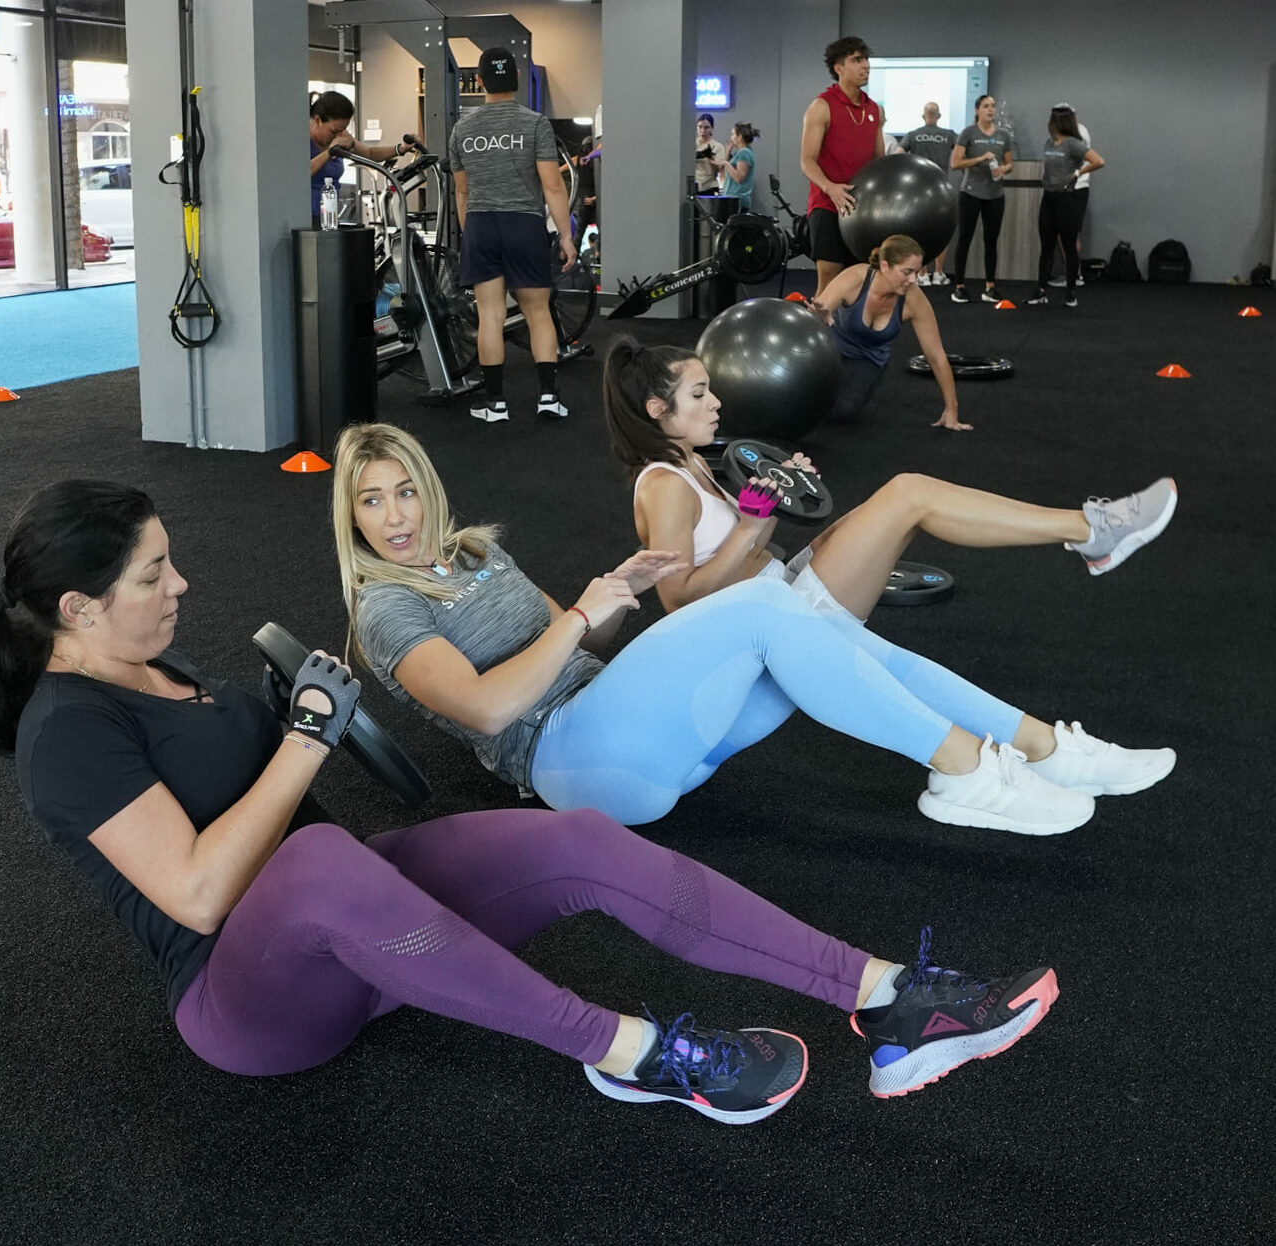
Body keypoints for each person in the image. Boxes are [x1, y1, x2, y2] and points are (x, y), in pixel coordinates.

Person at [0, 481, 1062, 1123]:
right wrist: (305, 733)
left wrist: (289, 717)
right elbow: (201, 894)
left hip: (363, 926)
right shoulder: (65, 733)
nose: (180, 586)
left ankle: (887, 997)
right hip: (252, 1006)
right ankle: (638, 1055)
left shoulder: (151, 666)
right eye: (154, 574)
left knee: (573, 839)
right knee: (318, 864)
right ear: (77, 606)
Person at [335, 422, 1173, 838]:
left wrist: (613, 602)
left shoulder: (476, 552)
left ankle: (1047, 751)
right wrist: (587, 613)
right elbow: (484, 710)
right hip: (573, 763)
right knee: (773, 607)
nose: (394, 515)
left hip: (644, 735)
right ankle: (962, 773)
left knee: (822, 627)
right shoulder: (384, 608)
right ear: (352, 516)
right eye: (371, 501)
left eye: (402, 491)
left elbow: (578, 645)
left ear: (428, 490)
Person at [448, 47, 577, 424]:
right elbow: (553, 186)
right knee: (538, 312)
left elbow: (462, 191)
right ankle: (549, 398)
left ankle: (495, 404)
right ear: (517, 80)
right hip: (524, 224)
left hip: (482, 225)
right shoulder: (535, 123)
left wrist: (468, 232)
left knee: (490, 314)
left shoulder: (462, 129)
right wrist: (566, 236)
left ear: (481, 82)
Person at [809, 234, 970, 428]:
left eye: (916, 272)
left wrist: (951, 409)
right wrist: (821, 320)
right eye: (907, 272)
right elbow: (812, 320)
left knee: (843, 411)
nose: (913, 279)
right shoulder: (855, 278)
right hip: (831, 349)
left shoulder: (914, 300)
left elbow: (936, 356)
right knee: (801, 392)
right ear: (885, 266)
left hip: (868, 359)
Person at [800, 36, 884, 297]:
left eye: (866, 59)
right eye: (857, 60)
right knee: (830, 278)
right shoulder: (821, 106)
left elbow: (879, 162)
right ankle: (820, 335)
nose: (865, 65)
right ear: (839, 68)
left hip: (862, 207)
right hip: (827, 204)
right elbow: (807, 160)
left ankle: (851, 338)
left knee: (861, 279)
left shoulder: (875, 110)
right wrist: (831, 188)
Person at [1027, 107, 1104, 308]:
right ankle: (1041, 290)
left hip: (1067, 200)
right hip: (1049, 198)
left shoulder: (1073, 144)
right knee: (1046, 248)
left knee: (1069, 246)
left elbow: (1098, 161)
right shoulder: (1049, 143)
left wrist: (1078, 173)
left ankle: (1070, 292)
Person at [308, 91, 416, 223]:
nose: (339, 135)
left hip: (328, 216)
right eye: (334, 131)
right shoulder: (303, 140)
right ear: (318, 120)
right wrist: (330, 152)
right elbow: (299, 175)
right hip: (303, 215)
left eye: (343, 130)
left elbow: (369, 153)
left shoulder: (340, 136)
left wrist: (400, 149)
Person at [949, 95, 1014, 305]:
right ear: (977, 110)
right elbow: (955, 163)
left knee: (991, 241)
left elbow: (1009, 164)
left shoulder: (1003, 135)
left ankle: (990, 287)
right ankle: (959, 287)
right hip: (970, 193)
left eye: (993, 106)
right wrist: (979, 159)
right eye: (986, 106)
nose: (991, 110)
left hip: (995, 195)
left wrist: (1004, 169)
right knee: (965, 238)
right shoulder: (968, 133)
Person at [903, 102, 959, 285]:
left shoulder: (912, 135)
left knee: (919, 231)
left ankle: (922, 274)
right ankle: (939, 273)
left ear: (923, 116)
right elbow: (965, 149)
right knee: (941, 231)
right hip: (941, 189)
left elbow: (897, 153)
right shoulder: (949, 135)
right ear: (939, 116)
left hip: (918, 191)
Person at [1047, 102, 1092, 287]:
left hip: (1076, 189)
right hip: (1067, 189)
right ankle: (1071, 274)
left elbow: (1087, 160)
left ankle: (1075, 275)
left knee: (1070, 235)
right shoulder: (1070, 133)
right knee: (1064, 234)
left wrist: (1074, 175)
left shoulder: (1077, 134)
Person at [711, 123, 759, 211]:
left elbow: (739, 178)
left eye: (733, 134)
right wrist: (728, 153)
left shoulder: (744, 153)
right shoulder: (740, 152)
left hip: (738, 199)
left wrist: (726, 163)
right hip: (731, 198)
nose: (731, 137)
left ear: (739, 137)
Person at [694, 115, 727, 195]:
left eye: (706, 127)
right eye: (700, 127)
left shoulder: (718, 147)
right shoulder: (691, 144)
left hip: (709, 187)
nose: (703, 130)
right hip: (694, 186)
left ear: (712, 128)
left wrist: (710, 158)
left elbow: (719, 172)